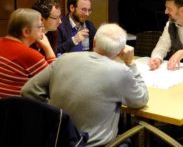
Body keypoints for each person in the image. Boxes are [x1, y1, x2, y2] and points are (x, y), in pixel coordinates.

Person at [21, 23, 149, 146]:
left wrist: (52, 111)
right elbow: (141, 100)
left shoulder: (64, 59)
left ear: (94, 42)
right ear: (121, 51)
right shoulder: (121, 72)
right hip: (95, 144)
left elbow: (28, 90)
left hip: (57, 140)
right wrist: (130, 63)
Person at [0, 8, 56, 97]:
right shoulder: (29, 55)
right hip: (18, 108)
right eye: (40, 26)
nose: (43, 29)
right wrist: (48, 48)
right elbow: (56, 81)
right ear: (26, 31)